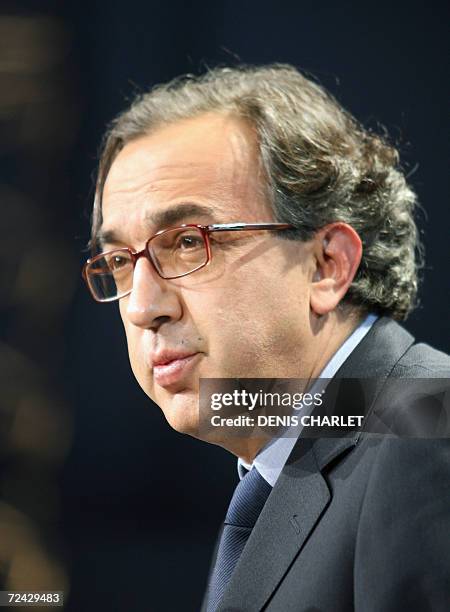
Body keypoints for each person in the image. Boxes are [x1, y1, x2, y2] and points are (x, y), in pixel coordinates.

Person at [82, 64, 450, 611]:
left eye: (187, 241)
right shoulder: (294, 450)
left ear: (326, 266)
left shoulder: (427, 430)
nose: (141, 307)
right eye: (119, 261)